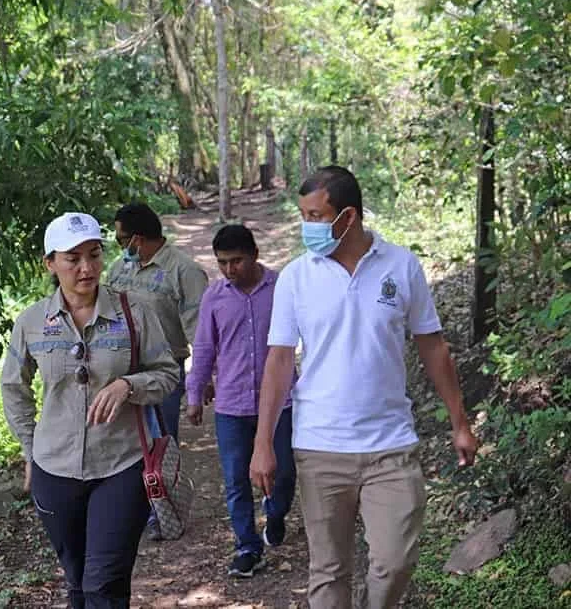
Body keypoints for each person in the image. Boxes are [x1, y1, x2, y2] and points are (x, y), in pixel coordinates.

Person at [249, 166, 479, 609]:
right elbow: (279, 361)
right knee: (329, 572)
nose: (307, 226)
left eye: (316, 216)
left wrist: (460, 422)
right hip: (320, 447)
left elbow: (433, 347)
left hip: (391, 445)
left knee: (394, 562)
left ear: (348, 216)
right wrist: (263, 443)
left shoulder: (401, 266)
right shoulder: (297, 277)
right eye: (303, 215)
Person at [1, 212, 180, 609]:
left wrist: (128, 385)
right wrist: (30, 448)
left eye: (95, 255)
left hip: (121, 464)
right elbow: (14, 387)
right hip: (55, 469)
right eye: (73, 257)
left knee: (105, 584)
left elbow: (167, 374)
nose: (87, 267)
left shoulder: (134, 313)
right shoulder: (31, 323)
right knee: (78, 583)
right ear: (50, 263)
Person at [185, 224, 296, 578]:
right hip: (232, 404)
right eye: (222, 263)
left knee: (284, 473)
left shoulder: (281, 288)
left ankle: (276, 514)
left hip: (281, 403)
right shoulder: (215, 297)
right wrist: (195, 392)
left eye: (237, 261)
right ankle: (247, 546)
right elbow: (204, 347)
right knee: (235, 479)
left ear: (255, 255)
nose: (230, 270)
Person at [106, 202, 208, 540]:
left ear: (137, 238)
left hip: (162, 370)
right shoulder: (119, 269)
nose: (120, 247)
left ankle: (163, 510)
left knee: (161, 442)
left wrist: (202, 376)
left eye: (122, 240)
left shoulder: (184, 271)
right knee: (125, 441)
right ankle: (130, 508)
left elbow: (199, 328)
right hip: (119, 369)